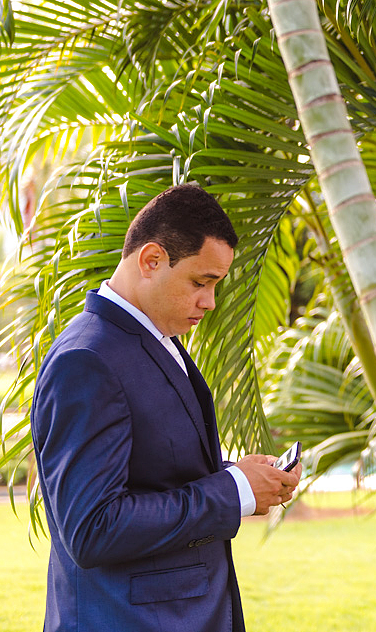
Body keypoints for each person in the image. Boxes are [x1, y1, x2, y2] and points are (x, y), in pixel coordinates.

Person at [31, 183, 300, 632]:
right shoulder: (87, 359)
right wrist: (233, 492)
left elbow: (150, 467)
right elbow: (93, 527)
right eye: (201, 282)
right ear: (151, 260)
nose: (210, 302)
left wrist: (242, 476)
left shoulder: (155, 338)